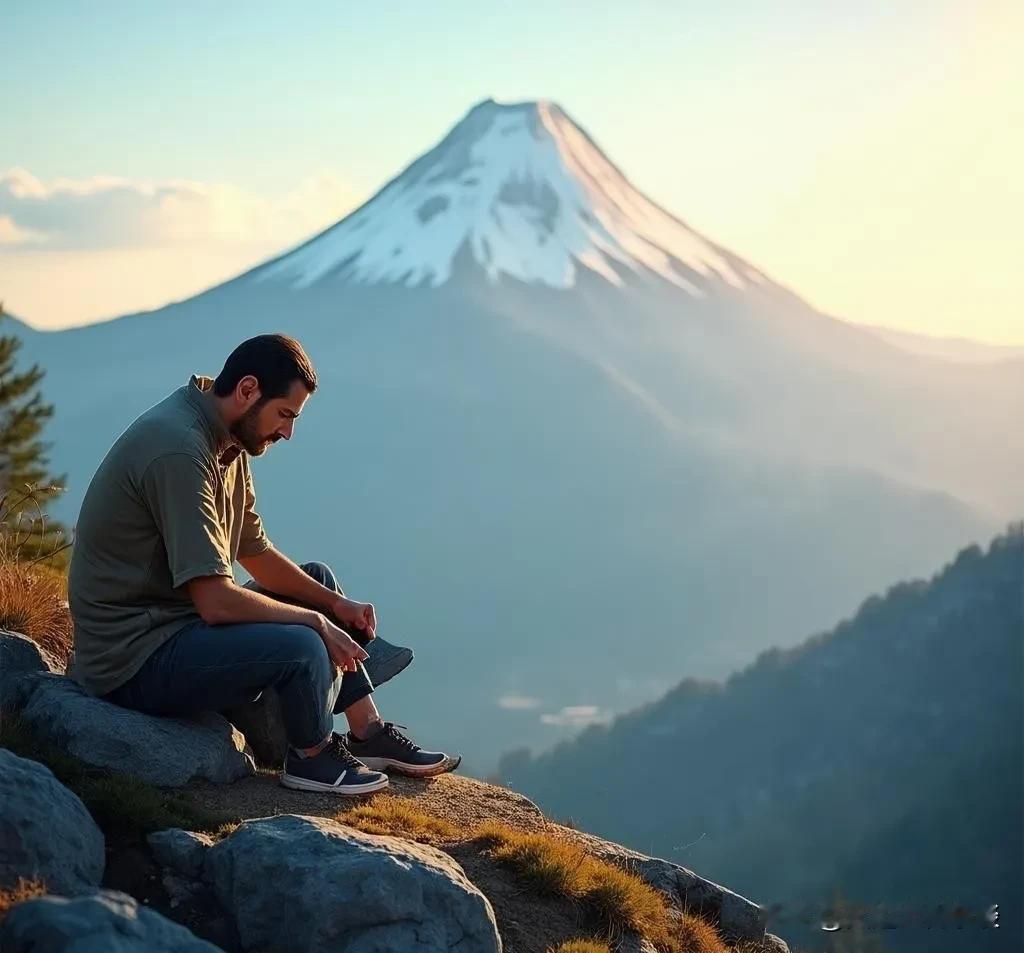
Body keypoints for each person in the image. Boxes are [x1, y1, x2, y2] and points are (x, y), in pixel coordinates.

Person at [67, 333, 459, 795]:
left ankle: (367, 734)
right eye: (285, 415)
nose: (288, 432)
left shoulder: (227, 439)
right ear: (248, 390)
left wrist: (336, 606)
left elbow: (253, 551)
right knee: (304, 643)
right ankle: (310, 758)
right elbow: (214, 602)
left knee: (317, 582)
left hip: (178, 626)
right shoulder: (178, 449)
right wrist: (315, 622)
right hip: (133, 660)